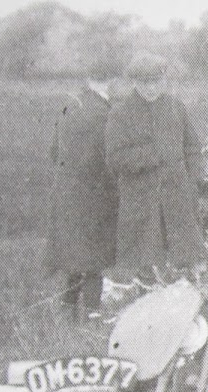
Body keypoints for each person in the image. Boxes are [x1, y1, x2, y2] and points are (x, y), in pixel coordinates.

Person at [104, 52, 204, 281]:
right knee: (145, 270)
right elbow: (114, 158)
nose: (151, 88)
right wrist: (152, 155)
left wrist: (192, 182)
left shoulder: (176, 108)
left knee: (185, 268)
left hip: (178, 200)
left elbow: (192, 148)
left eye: (156, 82)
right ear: (134, 83)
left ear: (164, 79)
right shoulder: (120, 114)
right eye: (144, 83)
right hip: (142, 203)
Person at [45, 63, 119, 321]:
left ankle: (67, 312)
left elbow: (54, 152)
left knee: (76, 256)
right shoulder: (106, 113)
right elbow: (109, 160)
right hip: (95, 194)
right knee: (95, 260)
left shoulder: (70, 106)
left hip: (66, 192)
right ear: (112, 81)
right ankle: (91, 317)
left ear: (88, 79)